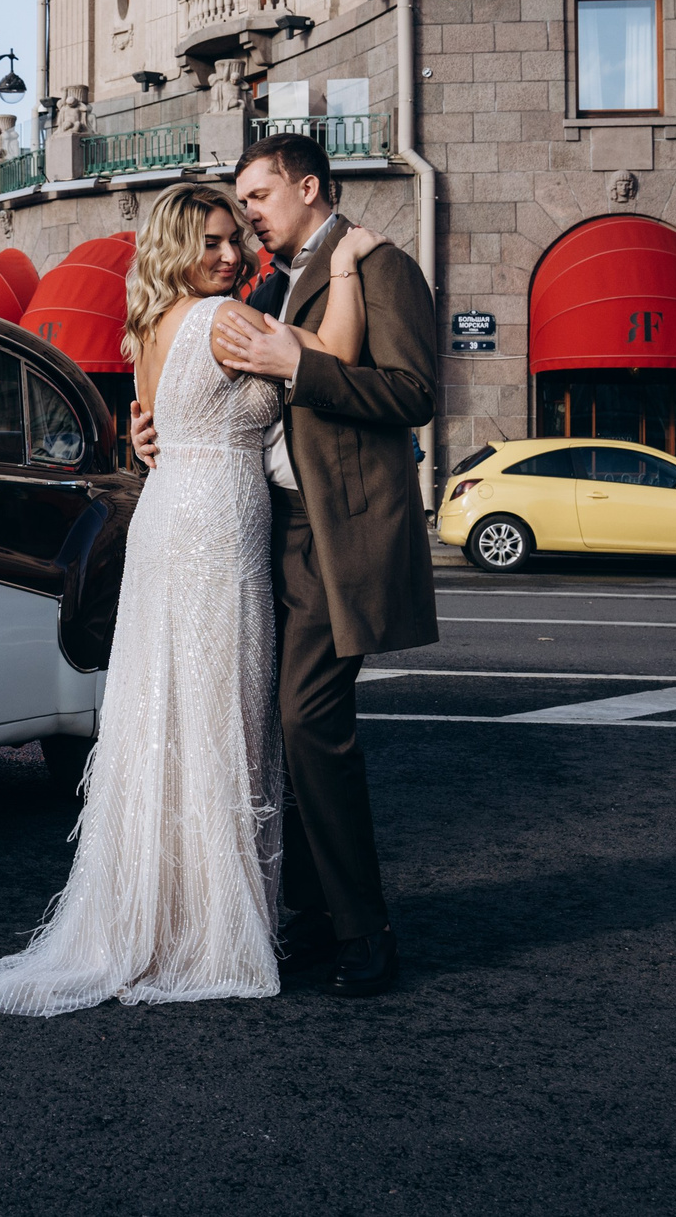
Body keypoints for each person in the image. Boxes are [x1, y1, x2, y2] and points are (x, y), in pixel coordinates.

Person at [0, 185, 380, 1016]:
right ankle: (206, 925)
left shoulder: (149, 323)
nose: (230, 256)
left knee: (168, 718)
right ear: (179, 246)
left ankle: (165, 908)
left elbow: (150, 421)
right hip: (215, 528)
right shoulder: (225, 320)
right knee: (219, 716)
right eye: (213, 241)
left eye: (235, 240)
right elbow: (333, 350)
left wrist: (148, 438)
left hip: (171, 511)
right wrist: (352, 263)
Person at [134, 131, 439, 999]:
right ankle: (302, 913)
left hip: (335, 534)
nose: (249, 221)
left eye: (258, 200)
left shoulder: (378, 265)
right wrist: (147, 425)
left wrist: (302, 366)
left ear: (308, 187)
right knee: (266, 728)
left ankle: (363, 931)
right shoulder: (278, 277)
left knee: (308, 724)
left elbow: (414, 393)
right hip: (255, 530)